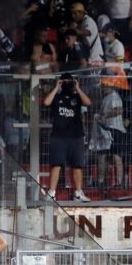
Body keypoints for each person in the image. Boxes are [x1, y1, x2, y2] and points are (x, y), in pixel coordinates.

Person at [42, 73, 91, 201]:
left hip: (76, 136)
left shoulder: (76, 96)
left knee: (77, 165)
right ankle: (51, 192)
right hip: (59, 136)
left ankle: (78, 193)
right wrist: (56, 87)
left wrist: (78, 88)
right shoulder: (57, 97)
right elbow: (46, 102)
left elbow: (88, 102)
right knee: (56, 164)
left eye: (70, 80)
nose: (68, 83)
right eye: (65, 81)